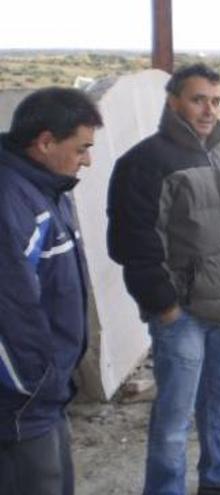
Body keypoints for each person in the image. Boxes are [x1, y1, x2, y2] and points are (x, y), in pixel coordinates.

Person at [107, 64, 220, 495]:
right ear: (173, 100)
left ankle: (218, 478)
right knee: (175, 418)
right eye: (198, 99)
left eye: (215, 100)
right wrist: (165, 305)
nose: (208, 109)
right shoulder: (145, 161)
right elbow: (131, 242)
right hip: (183, 314)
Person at [0, 87, 102, 495]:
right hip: (23, 400)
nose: (88, 160)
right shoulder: (11, 199)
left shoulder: (47, 187)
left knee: (58, 482)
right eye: (81, 149)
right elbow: (9, 317)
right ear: (44, 142)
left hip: (47, 390)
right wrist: (34, 386)